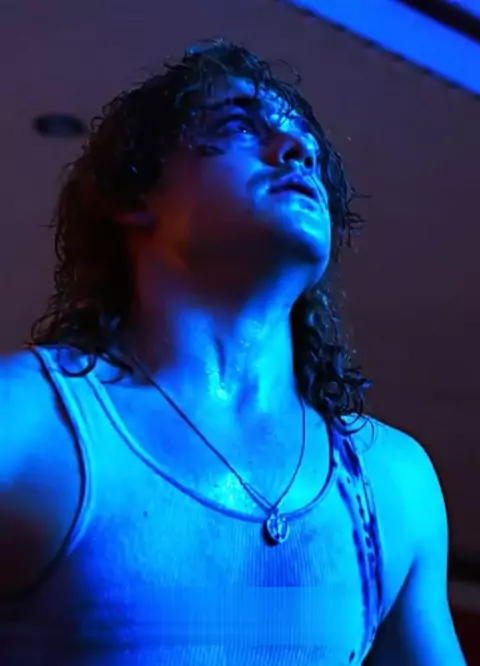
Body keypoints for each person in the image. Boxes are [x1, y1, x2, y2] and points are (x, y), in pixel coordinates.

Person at [0, 38, 465, 665]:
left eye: (305, 141)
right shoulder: (26, 425)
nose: (297, 149)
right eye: (238, 126)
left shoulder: (393, 483)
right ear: (134, 196)